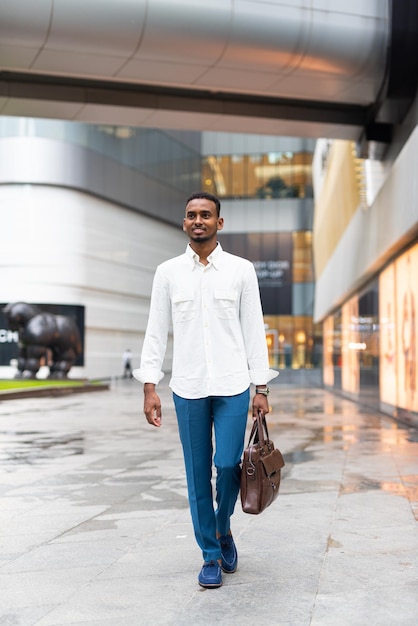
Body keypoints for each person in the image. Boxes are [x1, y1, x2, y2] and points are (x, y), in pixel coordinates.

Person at [133, 191, 278, 588]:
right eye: (191, 215)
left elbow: (254, 330)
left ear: (219, 222)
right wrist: (150, 386)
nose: (198, 220)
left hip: (232, 386)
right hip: (188, 386)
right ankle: (211, 554)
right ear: (184, 223)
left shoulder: (241, 270)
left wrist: (260, 386)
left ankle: (222, 526)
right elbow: (155, 331)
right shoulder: (167, 273)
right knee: (198, 475)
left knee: (229, 466)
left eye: (206, 215)